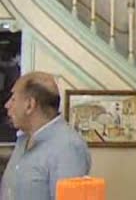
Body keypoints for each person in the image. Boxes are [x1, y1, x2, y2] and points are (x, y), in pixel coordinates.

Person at [0, 71, 91, 200]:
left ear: (29, 105)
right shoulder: (23, 140)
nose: (7, 105)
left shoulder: (68, 148)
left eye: (13, 99)